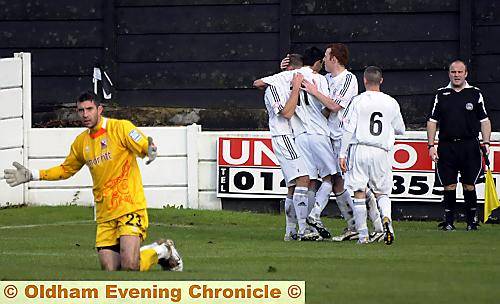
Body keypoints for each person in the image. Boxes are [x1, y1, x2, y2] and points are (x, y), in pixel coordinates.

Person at [3, 91, 183, 271]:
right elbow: (66, 169)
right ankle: (154, 251)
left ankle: (163, 251)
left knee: (130, 266)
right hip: (105, 213)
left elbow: (144, 145)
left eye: (89, 109)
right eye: (81, 110)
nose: (85, 114)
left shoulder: (121, 128)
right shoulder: (81, 142)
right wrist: (33, 174)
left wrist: (150, 150)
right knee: (111, 269)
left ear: (100, 109)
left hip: (130, 206)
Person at [255, 47, 336, 240]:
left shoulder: (286, 82)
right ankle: (303, 229)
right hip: (282, 136)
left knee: (294, 185)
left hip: (293, 136)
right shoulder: (274, 88)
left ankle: (290, 231)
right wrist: (296, 88)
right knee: (304, 179)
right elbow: (287, 113)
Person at [339, 66, 406, 244]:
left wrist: (342, 154)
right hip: (380, 151)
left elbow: (347, 128)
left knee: (359, 191)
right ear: (381, 81)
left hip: (360, 148)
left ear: (365, 81)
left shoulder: (358, 101)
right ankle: (387, 222)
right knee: (382, 193)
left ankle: (363, 235)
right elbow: (401, 129)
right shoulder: (391, 102)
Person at [426, 60, 491, 231]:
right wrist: (431, 145)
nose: (456, 75)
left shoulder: (475, 93)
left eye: (460, 72)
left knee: (469, 184)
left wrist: (486, 143)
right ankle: (448, 222)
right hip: (447, 146)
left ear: (466, 74)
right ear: (449, 73)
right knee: (449, 184)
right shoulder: (441, 94)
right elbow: (432, 122)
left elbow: (484, 121)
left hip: (470, 145)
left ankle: (471, 222)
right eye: (453, 72)